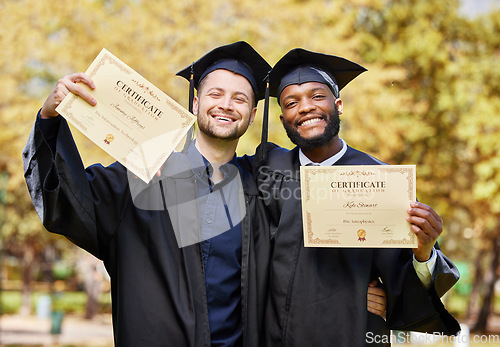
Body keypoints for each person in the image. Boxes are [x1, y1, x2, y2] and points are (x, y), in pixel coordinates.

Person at [23, 41, 274, 347]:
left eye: (240, 98)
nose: (226, 105)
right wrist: (50, 119)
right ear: (195, 103)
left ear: (252, 113)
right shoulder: (141, 175)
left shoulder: (262, 190)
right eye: (216, 94)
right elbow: (68, 200)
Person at [249, 48, 461, 346]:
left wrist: (423, 251)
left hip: (352, 333)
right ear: (284, 119)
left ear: (338, 105)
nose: (306, 107)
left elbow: (405, 283)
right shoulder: (267, 170)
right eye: (292, 102)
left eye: (317, 96)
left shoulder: (381, 180)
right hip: (275, 335)